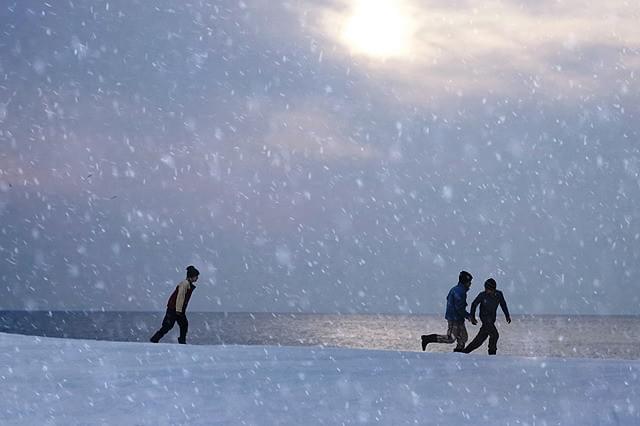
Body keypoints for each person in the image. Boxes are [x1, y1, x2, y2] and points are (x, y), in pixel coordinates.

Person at [421, 271, 474, 352]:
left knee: (463, 337)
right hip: (454, 318)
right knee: (450, 338)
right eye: (469, 282)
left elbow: (450, 300)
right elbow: (459, 307)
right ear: (465, 282)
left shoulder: (457, 289)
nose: (470, 284)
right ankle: (427, 339)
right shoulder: (460, 291)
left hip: (458, 318)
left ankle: (459, 352)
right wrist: (468, 316)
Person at [150, 265, 200, 344]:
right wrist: (179, 310)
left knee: (183, 324)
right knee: (168, 326)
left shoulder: (187, 284)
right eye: (196, 276)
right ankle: (154, 339)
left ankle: (182, 341)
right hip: (174, 309)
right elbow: (180, 297)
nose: (197, 278)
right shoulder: (185, 284)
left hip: (177, 309)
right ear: (192, 276)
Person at [462, 278, 511, 355]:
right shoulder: (482, 295)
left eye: (488, 289)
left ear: (493, 289)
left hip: (492, 319)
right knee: (495, 335)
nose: (486, 291)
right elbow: (474, 304)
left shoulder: (499, 294)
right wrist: (472, 317)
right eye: (485, 289)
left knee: (479, 340)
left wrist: (507, 315)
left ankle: (464, 352)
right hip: (485, 318)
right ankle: (492, 353)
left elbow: (503, 304)